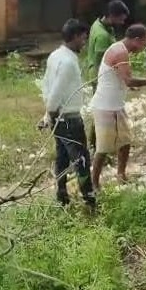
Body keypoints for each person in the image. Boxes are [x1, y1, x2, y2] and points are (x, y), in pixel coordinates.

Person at [89, 24, 146, 191]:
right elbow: (129, 80)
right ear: (136, 40)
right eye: (144, 44)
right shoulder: (120, 52)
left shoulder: (120, 49)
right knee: (102, 148)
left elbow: (120, 78)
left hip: (116, 105)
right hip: (105, 106)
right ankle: (94, 184)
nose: (143, 48)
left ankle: (121, 175)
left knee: (125, 141)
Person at [40, 19, 96, 209]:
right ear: (74, 37)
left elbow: (46, 86)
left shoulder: (55, 55)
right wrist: (49, 113)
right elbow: (55, 91)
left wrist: (48, 115)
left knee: (62, 157)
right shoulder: (68, 62)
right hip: (69, 120)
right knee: (81, 159)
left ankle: (62, 195)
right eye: (83, 38)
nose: (84, 42)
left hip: (58, 118)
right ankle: (90, 199)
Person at [84, 0, 130, 150]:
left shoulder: (99, 24)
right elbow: (105, 61)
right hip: (100, 75)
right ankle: (97, 145)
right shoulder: (102, 35)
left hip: (95, 71)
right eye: (121, 19)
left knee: (100, 111)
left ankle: (95, 143)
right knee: (103, 112)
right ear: (111, 16)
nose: (123, 22)